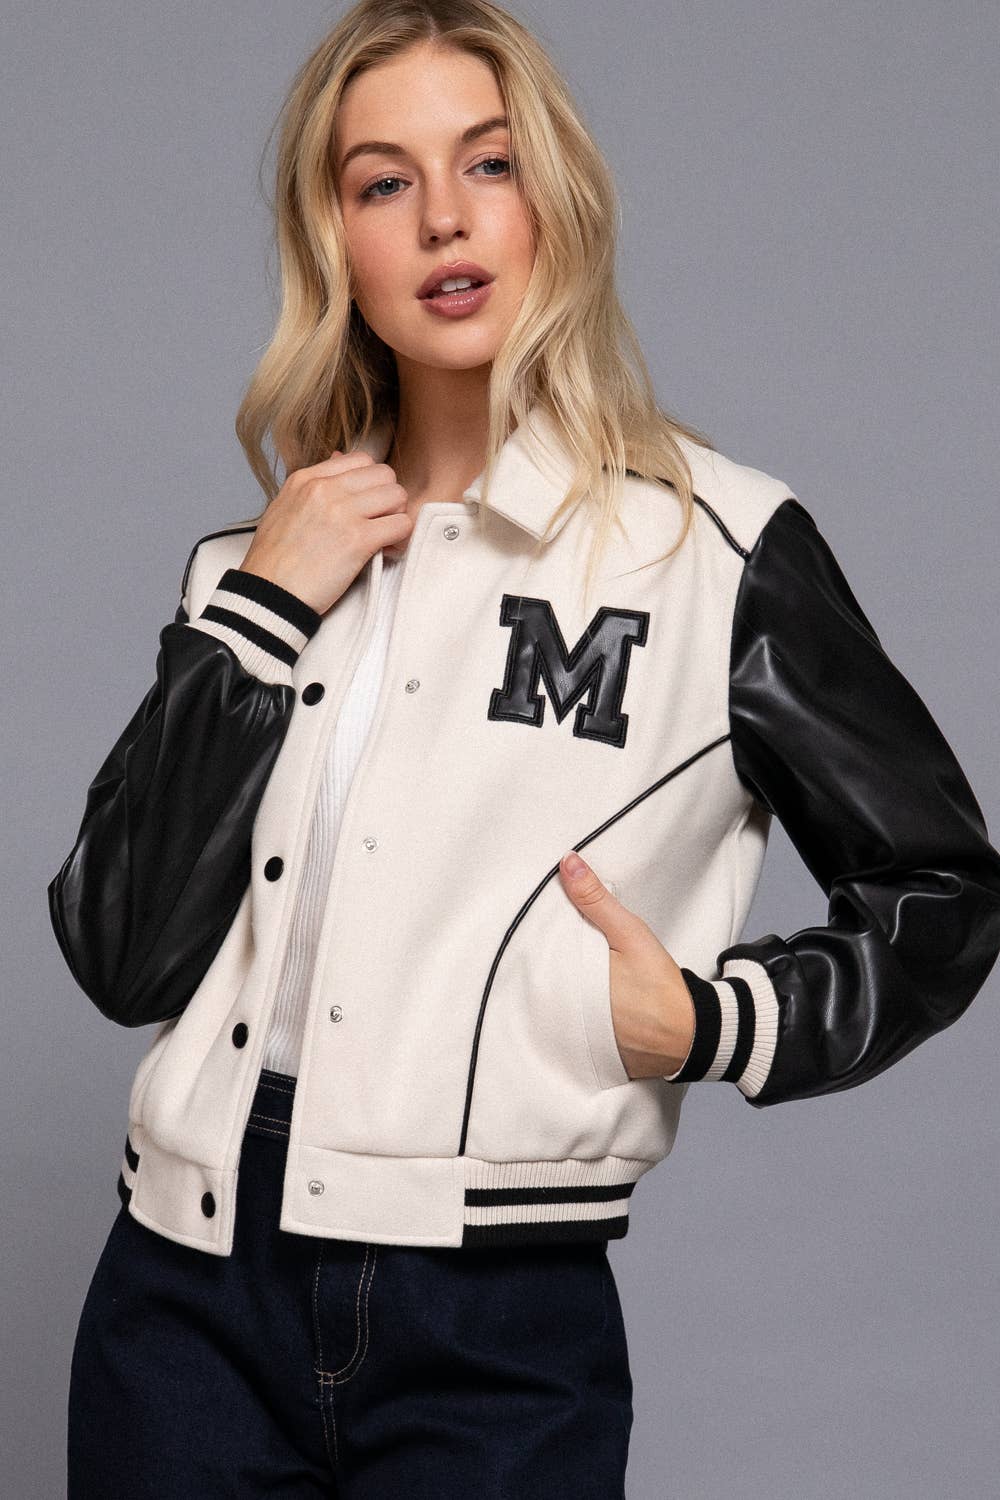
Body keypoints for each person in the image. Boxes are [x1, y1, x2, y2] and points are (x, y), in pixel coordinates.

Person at [49, 2, 1000, 1496]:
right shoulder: (255, 563)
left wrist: (720, 1021)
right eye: (383, 181)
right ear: (334, 242)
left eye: (487, 163)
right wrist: (261, 612)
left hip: (494, 1319)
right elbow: (120, 957)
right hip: (182, 1298)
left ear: (554, 195)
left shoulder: (713, 549)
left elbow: (942, 888)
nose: (443, 216)